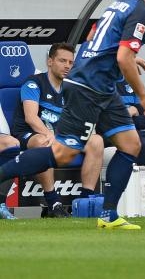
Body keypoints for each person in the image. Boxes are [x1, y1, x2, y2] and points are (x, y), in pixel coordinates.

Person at [0, 0, 145, 230]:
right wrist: (142, 94)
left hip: (100, 87)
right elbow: (123, 56)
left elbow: (95, 40)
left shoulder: (120, 3)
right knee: (62, 154)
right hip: (90, 88)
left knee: (131, 145)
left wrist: (125, 62)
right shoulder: (141, 13)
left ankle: (109, 215)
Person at [10, 43, 104, 217]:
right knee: (43, 141)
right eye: (62, 60)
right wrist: (51, 135)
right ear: (50, 61)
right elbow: (31, 118)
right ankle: (53, 203)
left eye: (70, 62)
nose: (67, 66)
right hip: (29, 134)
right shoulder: (33, 83)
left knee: (96, 141)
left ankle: (85, 202)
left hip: (61, 136)